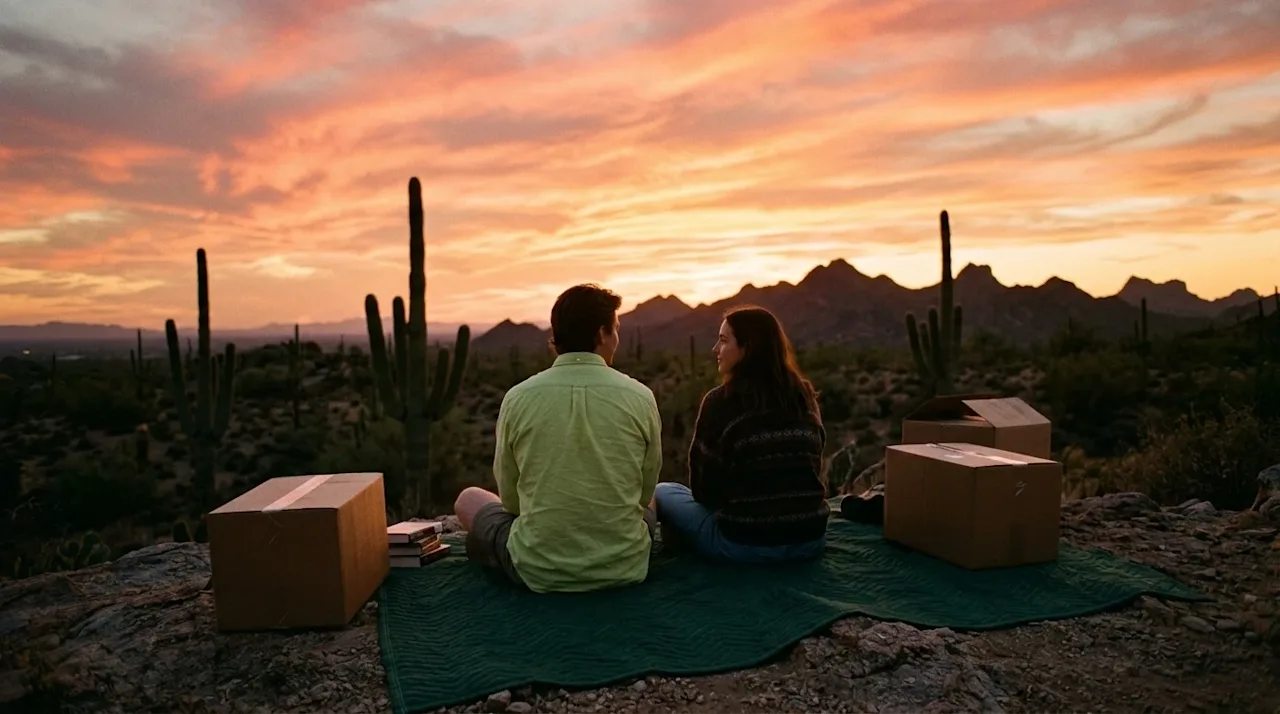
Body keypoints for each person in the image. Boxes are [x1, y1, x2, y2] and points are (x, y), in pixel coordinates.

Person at [453, 284, 663, 593]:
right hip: (625, 566)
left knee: (469, 498)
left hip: (537, 570)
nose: (616, 339)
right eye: (615, 329)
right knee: (657, 495)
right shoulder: (641, 397)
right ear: (603, 333)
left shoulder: (518, 398)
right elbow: (644, 494)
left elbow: (510, 501)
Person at [653, 305, 829, 563]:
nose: (716, 349)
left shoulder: (720, 402)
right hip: (810, 540)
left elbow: (704, 492)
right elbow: (813, 465)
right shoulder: (803, 394)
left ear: (747, 349)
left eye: (724, 341)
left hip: (744, 544)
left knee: (663, 492)